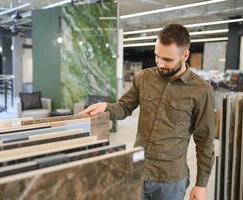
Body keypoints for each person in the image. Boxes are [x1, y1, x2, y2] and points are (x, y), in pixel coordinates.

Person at [79, 23, 214, 200]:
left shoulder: (201, 90)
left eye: (167, 59)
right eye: (157, 56)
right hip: (137, 170)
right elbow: (124, 106)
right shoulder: (143, 78)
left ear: (185, 55)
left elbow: (205, 139)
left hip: (170, 181)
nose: (160, 63)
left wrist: (201, 184)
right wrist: (107, 108)